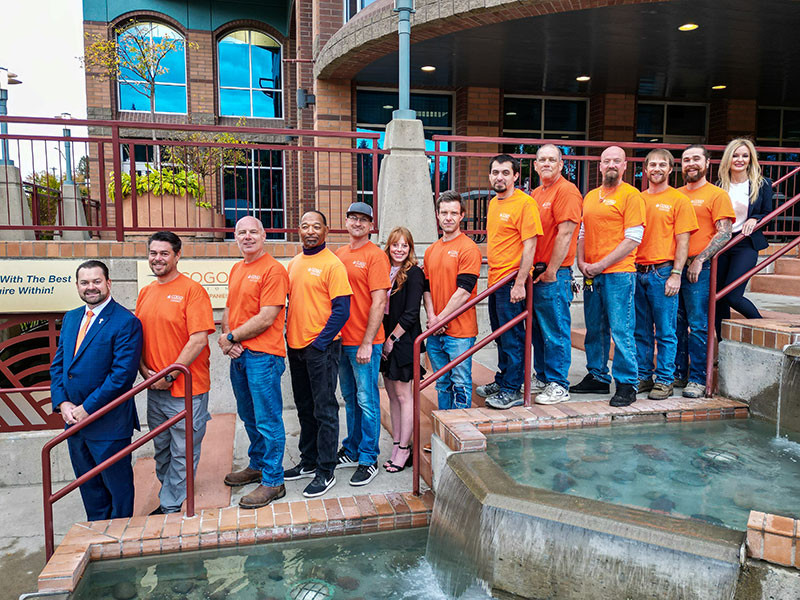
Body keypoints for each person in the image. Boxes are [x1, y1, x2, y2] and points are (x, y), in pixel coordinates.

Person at [49, 260, 143, 521]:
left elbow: (122, 376)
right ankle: (97, 530)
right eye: (85, 282)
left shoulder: (126, 321)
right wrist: (63, 403)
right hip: (74, 422)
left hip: (108, 422)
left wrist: (87, 408)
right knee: (89, 486)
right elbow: (59, 365)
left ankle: (120, 532)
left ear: (108, 283)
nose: (90, 287)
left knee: (117, 486)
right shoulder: (71, 318)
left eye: (96, 281)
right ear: (77, 286)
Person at [136, 231, 215, 515]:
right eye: (153, 253)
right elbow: (139, 338)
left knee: (183, 451)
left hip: (185, 389)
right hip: (154, 388)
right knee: (162, 450)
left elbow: (198, 339)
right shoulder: (146, 292)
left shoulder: (192, 291)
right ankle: (172, 490)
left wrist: (169, 375)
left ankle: (170, 505)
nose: (157, 258)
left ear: (177, 256)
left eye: (164, 253)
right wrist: (145, 372)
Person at [219, 216, 290, 508]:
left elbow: (267, 317)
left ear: (263, 236)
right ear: (235, 237)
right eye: (242, 232)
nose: (247, 237)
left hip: (264, 356)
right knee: (248, 416)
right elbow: (229, 309)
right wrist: (229, 340)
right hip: (240, 355)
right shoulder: (237, 268)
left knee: (268, 419)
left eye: (253, 232)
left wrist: (231, 337)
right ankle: (258, 464)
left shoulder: (274, 270)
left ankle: (273, 480)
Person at [285, 210, 352, 497]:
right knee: (304, 406)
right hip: (296, 347)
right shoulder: (294, 263)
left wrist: (319, 343)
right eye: (305, 226)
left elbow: (342, 311)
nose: (310, 231)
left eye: (316, 226)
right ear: (298, 230)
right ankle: (309, 460)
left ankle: (326, 470)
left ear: (326, 230)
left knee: (325, 409)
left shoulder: (332, 264)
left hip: (321, 349)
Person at [572, 146, 645, 407]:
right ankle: (597, 376)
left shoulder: (632, 195)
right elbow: (582, 233)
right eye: (606, 161)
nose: (611, 165)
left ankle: (627, 383)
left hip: (619, 274)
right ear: (600, 166)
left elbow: (633, 238)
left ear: (624, 165)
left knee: (621, 329)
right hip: (592, 274)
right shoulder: (591, 196)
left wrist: (601, 264)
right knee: (595, 328)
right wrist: (581, 262)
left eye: (616, 160)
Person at [476, 154, 543, 410]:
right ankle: (503, 379)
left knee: (513, 338)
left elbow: (530, 246)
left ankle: (512, 389)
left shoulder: (525, 204)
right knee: (500, 336)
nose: (499, 177)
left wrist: (520, 282)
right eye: (495, 172)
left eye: (505, 172)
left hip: (511, 282)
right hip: (495, 281)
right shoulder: (494, 203)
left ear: (515, 176)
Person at [634, 151, 698, 400]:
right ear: (645, 169)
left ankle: (664, 380)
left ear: (671, 169)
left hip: (662, 272)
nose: (657, 168)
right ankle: (643, 376)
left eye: (662, 164)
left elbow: (684, 241)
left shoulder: (679, 200)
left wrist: (676, 274)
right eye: (652, 164)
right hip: (637, 271)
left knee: (666, 331)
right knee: (641, 330)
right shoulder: (638, 199)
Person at [335, 202, 390, 487]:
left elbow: (379, 301)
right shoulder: (339, 255)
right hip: (341, 341)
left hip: (365, 342)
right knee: (350, 398)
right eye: (353, 218)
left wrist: (367, 342)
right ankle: (352, 448)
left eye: (363, 219)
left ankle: (369, 458)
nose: (357, 223)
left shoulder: (376, 256)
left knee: (367, 400)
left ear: (371, 225)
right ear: (346, 221)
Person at [676, 145, 735, 398]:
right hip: (673, 267)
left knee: (698, 324)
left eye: (696, 159)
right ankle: (678, 373)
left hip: (699, 268)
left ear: (707, 163)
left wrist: (700, 259)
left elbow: (725, 232)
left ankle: (698, 379)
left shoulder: (716, 194)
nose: (691, 163)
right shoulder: (675, 194)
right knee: (675, 323)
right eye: (686, 160)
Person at [529, 144, 582, 405]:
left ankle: (559, 384)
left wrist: (551, 270)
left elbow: (566, 233)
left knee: (555, 330)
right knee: (539, 331)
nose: (547, 163)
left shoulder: (567, 191)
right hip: (537, 273)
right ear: (535, 165)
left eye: (552, 159)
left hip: (555, 274)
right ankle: (543, 377)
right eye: (542, 159)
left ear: (561, 165)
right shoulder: (536, 193)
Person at [423, 190, 482, 411]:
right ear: (437, 215)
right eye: (444, 212)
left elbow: (464, 291)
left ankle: (460, 428)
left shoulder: (468, 248)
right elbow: (426, 288)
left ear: (462, 215)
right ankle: (443, 428)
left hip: (460, 332)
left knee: (461, 383)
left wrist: (440, 319)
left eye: (453, 213)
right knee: (442, 383)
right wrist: (432, 317)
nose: (448, 218)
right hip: (435, 329)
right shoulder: (431, 250)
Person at [715, 138, 773, 338]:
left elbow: (768, 213)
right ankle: (721, 343)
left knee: (732, 295)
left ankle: (764, 330)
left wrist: (755, 219)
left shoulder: (762, 184)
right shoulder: (719, 185)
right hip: (721, 245)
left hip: (745, 243)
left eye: (745, 156)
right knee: (717, 298)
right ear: (728, 158)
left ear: (751, 159)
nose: (740, 159)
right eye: (735, 155)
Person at [381, 227, 425, 473]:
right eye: (395, 245)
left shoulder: (414, 273)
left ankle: (405, 449)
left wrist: (392, 340)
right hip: (384, 337)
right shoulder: (384, 270)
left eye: (404, 245)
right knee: (392, 396)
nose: (399, 250)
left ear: (410, 248)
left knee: (403, 396)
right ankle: (397, 444)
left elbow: (411, 313)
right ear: (388, 246)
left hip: (403, 340)